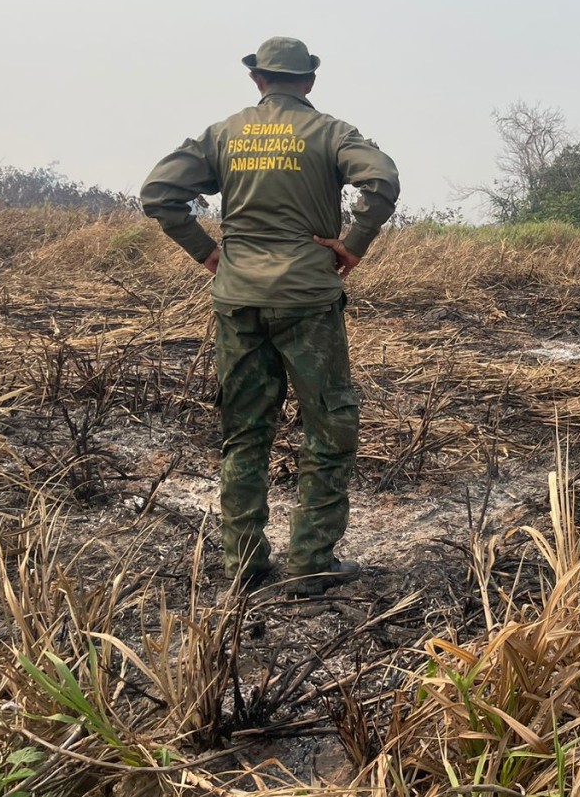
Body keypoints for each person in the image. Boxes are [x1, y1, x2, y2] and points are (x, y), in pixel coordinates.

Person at [140, 37, 399, 595]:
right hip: (308, 298)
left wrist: (207, 252)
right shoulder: (331, 133)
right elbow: (380, 180)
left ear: (257, 80)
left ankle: (244, 565)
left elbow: (159, 192)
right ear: (308, 82)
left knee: (245, 431)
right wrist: (352, 243)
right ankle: (310, 563)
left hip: (237, 299)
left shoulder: (223, 134)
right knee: (329, 427)